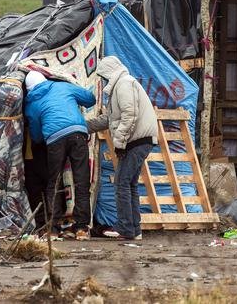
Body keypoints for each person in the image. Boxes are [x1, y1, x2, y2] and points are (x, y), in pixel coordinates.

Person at [86, 56, 157, 240]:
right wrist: (84, 126)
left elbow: (130, 115)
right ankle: (134, 229)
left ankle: (125, 228)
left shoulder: (124, 84)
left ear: (109, 73)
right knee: (129, 184)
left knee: (121, 183)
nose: (103, 80)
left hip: (137, 140)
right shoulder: (122, 84)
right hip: (139, 139)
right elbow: (111, 120)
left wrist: (120, 143)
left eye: (103, 76)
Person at [23, 70, 96, 240]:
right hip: (78, 134)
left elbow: (36, 136)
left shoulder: (31, 105)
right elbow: (90, 99)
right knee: (81, 181)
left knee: (54, 182)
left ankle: (53, 229)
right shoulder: (62, 86)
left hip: (54, 139)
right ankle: (81, 228)